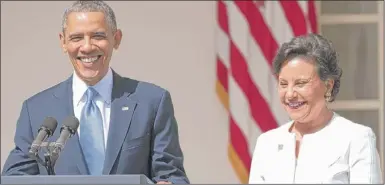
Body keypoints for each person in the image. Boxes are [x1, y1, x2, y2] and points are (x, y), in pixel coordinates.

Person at [2, 1, 189, 184]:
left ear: (116, 39)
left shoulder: (152, 102)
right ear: (63, 42)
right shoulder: (36, 109)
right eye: (76, 38)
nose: (87, 47)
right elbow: (15, 176)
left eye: (98, 36)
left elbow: (171, 174)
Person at [248, 33, 383, 184]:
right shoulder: (267, 143)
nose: (290, 94)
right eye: (283, 84)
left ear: (328, 85)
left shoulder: (357, 139)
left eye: (300, 83)